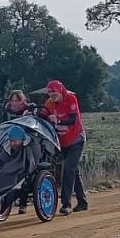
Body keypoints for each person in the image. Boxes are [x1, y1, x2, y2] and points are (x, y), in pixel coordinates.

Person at [44, 79, 88, 215]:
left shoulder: (70, 98)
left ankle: (66, 204)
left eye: (54, 91)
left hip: (76, 139)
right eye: (49, 92)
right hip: (62, 142)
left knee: (68, 169)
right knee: (73, 171)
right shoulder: (49, 104)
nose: (52, 95)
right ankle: (82, 201)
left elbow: (73, 119)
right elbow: (43, 115)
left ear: (60, 90)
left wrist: (58, 120)